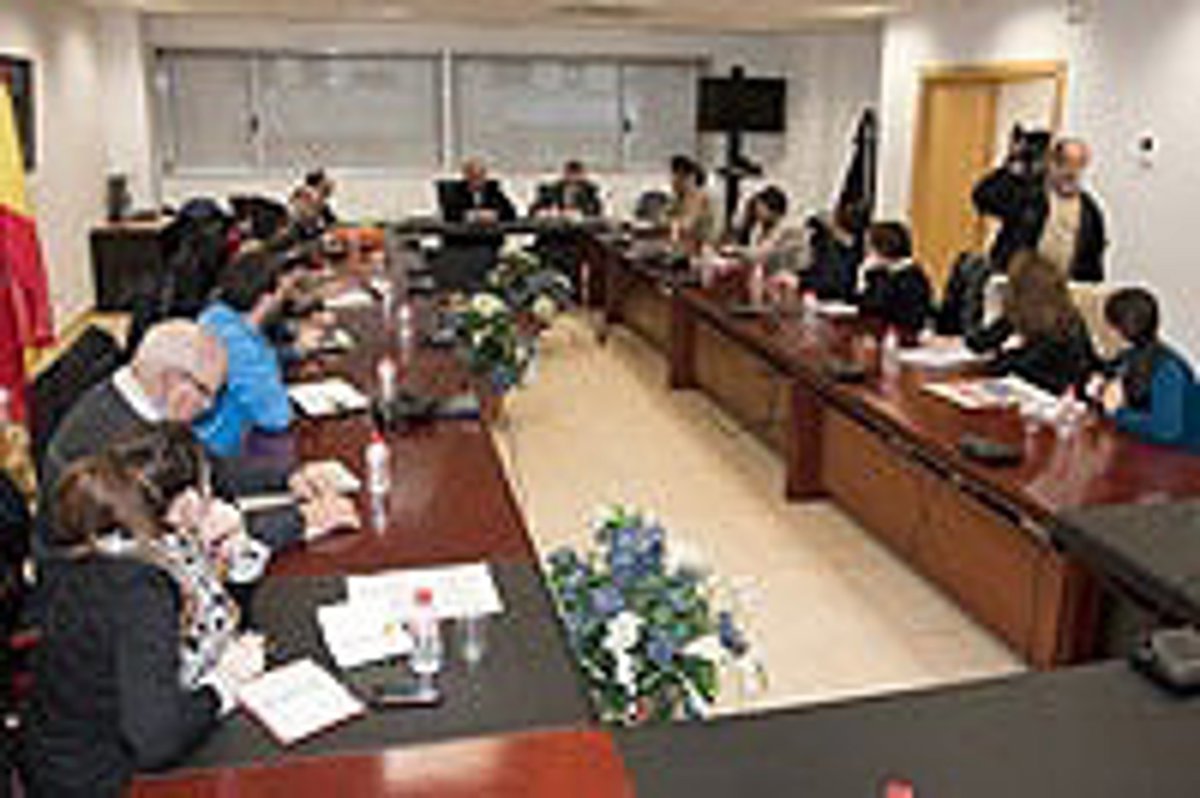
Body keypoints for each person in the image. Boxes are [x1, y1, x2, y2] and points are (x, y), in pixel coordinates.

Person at [20, 427, 267, 797]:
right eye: (207, 487)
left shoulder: (148, 540)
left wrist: (237, 546)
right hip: (95, 777)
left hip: (117, 739)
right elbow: (156, 741)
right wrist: (223, 687)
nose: (214, 496)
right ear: (185, 503)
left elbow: (222, 622)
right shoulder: (138, 587)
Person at [41, 319, 354, 555]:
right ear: (173, 381)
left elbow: (207, 466)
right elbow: (181, 544)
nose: (209, 407)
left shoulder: (144, 402)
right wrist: (300, 520)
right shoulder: (113, 441)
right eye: (207, 394)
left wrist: (290, 477)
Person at [194, 250, 295, 458]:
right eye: (282, 294)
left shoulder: (215, 317)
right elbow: (277, 417)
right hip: (220, 454)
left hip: (197, 439)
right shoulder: (241, 346)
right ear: (266, 299)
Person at [973, 133, 1107, 282]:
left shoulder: (1090, 212)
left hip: (1060, 290)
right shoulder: (1028, 194)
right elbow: (983, 197)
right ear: (1051, 162)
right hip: (1015, 284)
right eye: (1064, 162)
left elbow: (1093, 265)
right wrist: (1012, 166)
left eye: (1078, 165)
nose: (1070, 172)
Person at [966, 250, 1099, 395]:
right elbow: (979, 342)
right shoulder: (1030, 318)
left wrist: (1002, 355)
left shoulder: (1060, 335)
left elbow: (1008, 368)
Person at [1093, 288, 1200, 451]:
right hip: (1152, 449)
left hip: (1186, 455)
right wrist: (1099, 387)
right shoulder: (1129, 357)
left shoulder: (1167, 370)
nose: (1104, 332)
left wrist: (1118, 413)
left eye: (1108, 326)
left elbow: (1167, 430)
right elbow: (1106, 375)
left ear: (1122, 330)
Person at [855, 221, 933, 339]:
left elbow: (874, 311)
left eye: (869, 247)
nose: (866, 253)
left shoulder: (908, 277)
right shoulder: (883, 273)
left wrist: (864, 279)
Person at [731, 186, 807, 276]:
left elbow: (760, 254)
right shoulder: (763, 227)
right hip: (775, 270)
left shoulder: (785, 227)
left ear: (772, 210)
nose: (756, 213)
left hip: (791, 274)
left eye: (760, 209)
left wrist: (735, 250)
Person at [666, 154, 716, 255]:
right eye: (673, 175)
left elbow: (688, 227)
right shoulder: (677, 200)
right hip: (682, 249)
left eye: (679, 176)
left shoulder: (699, 198)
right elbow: (667, 220)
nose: (673, 181)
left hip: (699, 251)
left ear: (689, 179)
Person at [530, 160, 603, 218]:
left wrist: (582, 213)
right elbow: (535, 209)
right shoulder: (553, 190)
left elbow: (596, 212)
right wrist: (548, 212)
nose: (573, 178)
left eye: (576, 175)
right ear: (565, 175)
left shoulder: (590, 191)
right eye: (570, 174)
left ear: (582, 176)